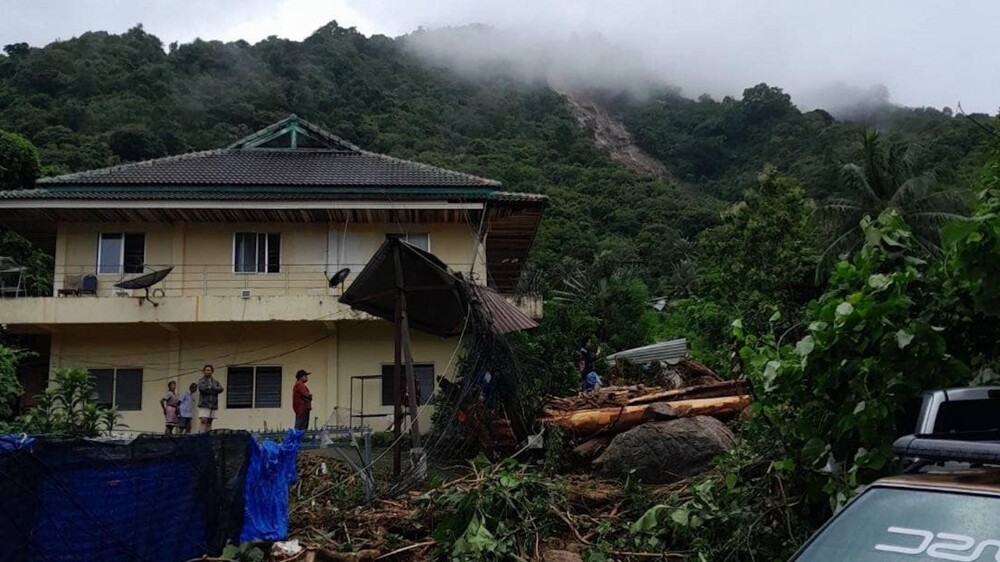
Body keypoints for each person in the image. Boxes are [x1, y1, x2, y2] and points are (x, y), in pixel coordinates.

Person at [197, 364, 224, 433]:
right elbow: (203, 389)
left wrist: (212, 388)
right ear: (203, 371)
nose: (208, 371)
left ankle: (208, 436)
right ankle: (201, 436)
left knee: (210, 421)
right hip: (204, 404)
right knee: (203, 420)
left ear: (212, 371)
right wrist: (213, 389)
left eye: (209, 370)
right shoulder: (201, 381)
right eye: (206, 370)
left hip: (213, 405)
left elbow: (221, 389)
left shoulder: (216, 382)